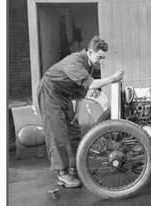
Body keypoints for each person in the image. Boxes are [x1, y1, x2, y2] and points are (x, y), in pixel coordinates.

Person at [37, 36, 124, 188]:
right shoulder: (75, 62)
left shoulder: (88, 64)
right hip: (50, 93)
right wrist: (113, 79)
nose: (101, 62)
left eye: (103, 58)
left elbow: (80, 91)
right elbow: (92, 85)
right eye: (99, 57)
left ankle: (75, 167)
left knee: (74, 129)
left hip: (64, 95)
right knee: (57, 132)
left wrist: (76, 112)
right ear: (90, 52)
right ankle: (62, 174)